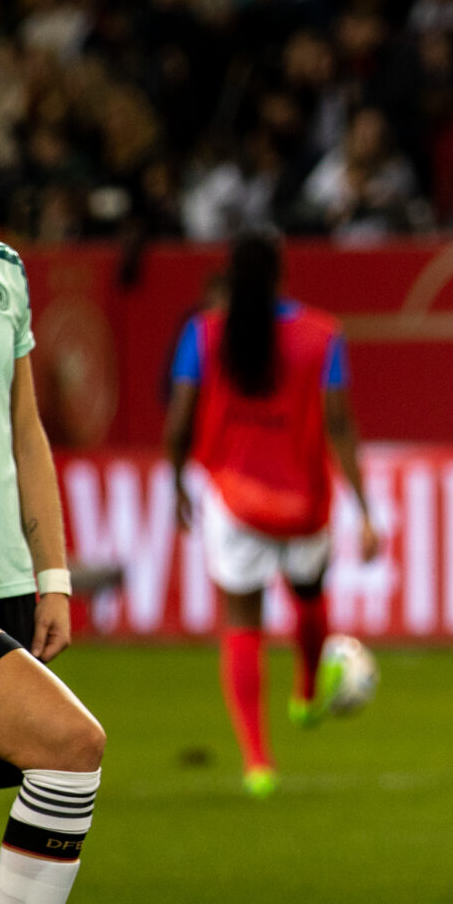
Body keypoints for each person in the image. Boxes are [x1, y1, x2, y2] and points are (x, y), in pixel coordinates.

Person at [164, 230, 379, 798]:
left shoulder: (204, 333)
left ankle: (258, 761)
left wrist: (177, 483)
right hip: (303, 500)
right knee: (308, 593)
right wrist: (364, 508)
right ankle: (306, 690)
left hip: (235, 499)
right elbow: (339, 423)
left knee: (242, 622)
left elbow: (180, 420)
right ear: (283, 273)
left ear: (230, 276)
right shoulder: (322, 335)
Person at [0, 95, 107, 904]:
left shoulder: (3, 272)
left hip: (3, 582)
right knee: (71, 743)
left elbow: (26, 432)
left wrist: (51, 570)